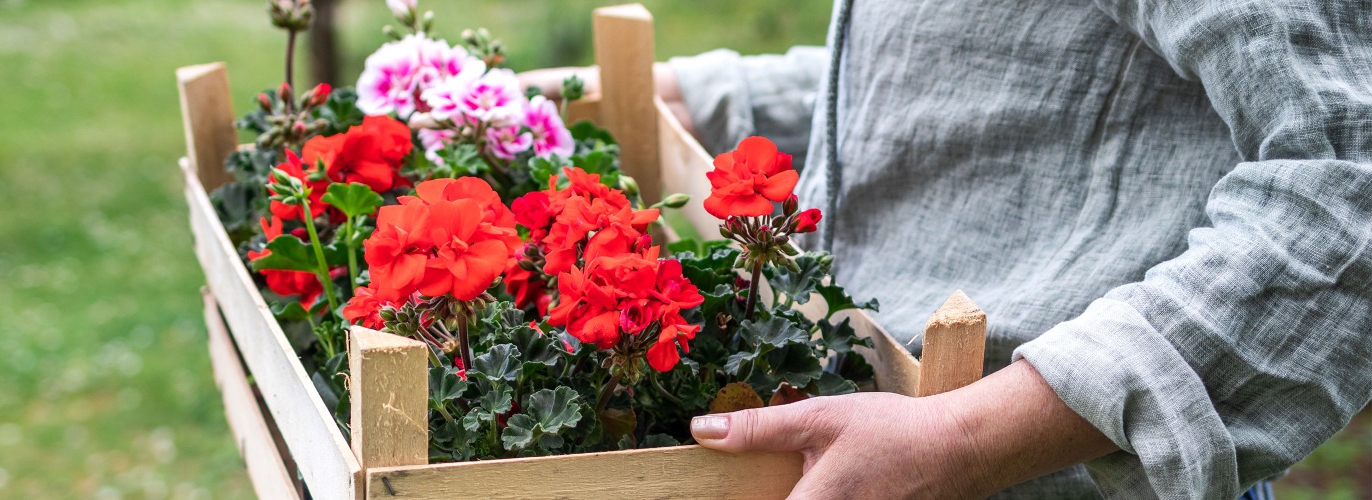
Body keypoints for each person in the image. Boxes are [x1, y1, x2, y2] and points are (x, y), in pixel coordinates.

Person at [522, 0, 1371, 497]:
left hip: (1046, 474)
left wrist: (963, 439)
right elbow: (994, 53)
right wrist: (691, 94)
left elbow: (1349, 178)